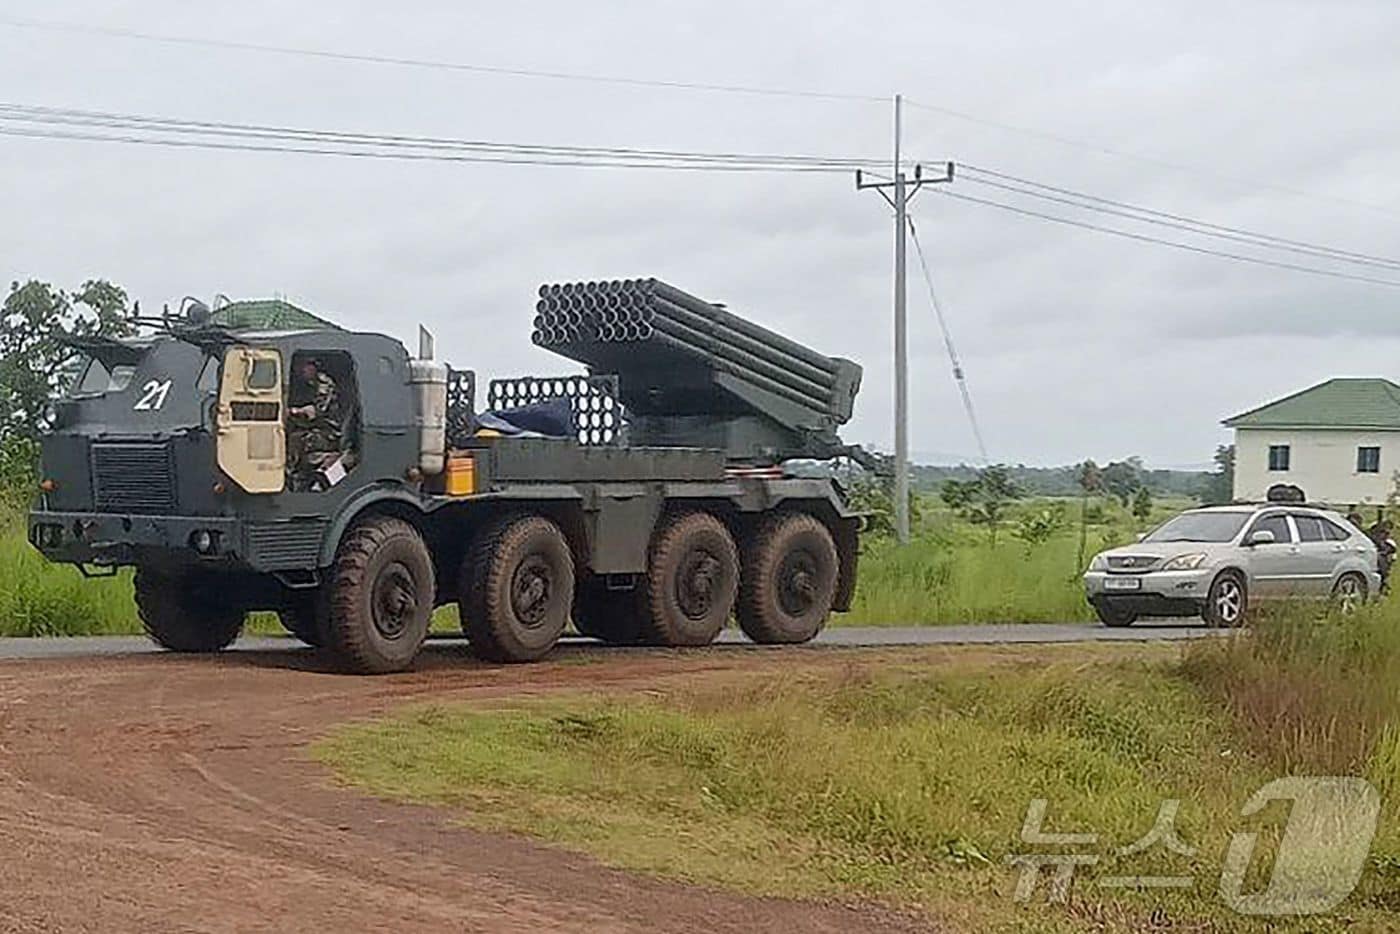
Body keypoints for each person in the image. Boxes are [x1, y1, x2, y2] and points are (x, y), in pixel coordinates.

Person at [287, 358, 346, 490]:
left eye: (305, 366)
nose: (302, 370)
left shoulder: (324, 384)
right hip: (316, 429)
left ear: (313, 367)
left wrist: (293, 411)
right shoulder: (307, 384)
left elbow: (316, 411)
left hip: (328, 433)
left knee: (295, 440)